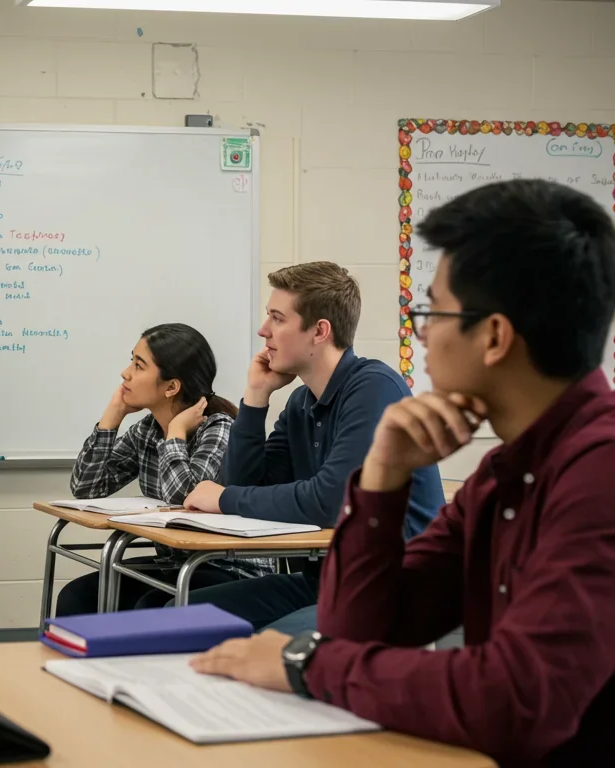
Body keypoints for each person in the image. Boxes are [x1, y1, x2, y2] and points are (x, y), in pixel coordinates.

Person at [192, 179, 615, 765]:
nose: (422, 333)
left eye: (431, 312)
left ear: (493, 336)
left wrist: (304, 662)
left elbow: (515, 699)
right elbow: (363, 626)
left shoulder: (600, 471)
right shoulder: (502, 473)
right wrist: (381, 479)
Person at [180, 262, 444, 630]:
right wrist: (256, 397)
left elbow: (333, 501)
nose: (264, 330)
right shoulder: (302, 401)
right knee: (182, 616)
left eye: (277, 318)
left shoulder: (375, 389)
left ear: (319, 331)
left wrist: (223, 500)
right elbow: (245, 486)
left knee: (269, 647)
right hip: (326, 582)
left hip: (394, 586)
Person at [54, 323, 260, 616]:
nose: (126, 373)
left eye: (138, 366)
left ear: (172, 387)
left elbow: (186, 499)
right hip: (178, 564)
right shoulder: (147, 430)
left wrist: (175, 434)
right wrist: (110, 419)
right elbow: (87, 489)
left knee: (147, 608)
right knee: (78, 597)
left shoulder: (219, 428)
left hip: (226, 567)